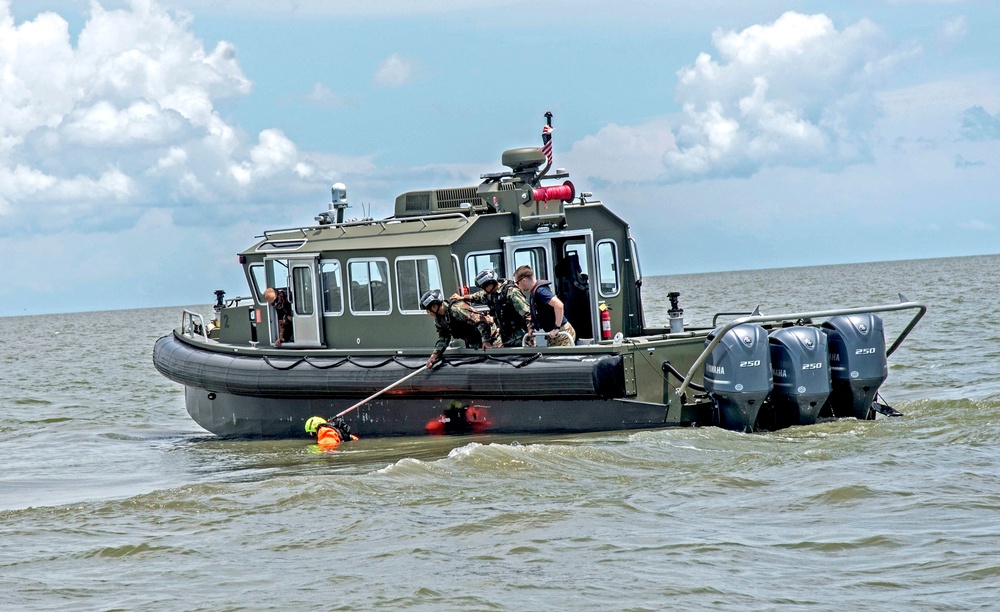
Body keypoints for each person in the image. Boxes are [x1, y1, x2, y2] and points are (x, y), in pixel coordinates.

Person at [451, 269, 533, 347]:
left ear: (490, 285)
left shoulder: (511, 293)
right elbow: (477, 296)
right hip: (505, 337)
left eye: (483, 287)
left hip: (520, 337)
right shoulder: (491, 295)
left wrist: (530, 331)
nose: (483, 290)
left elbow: (528, 314)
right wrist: (462, 298)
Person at [421, 289, 501, 368]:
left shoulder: (457, 309)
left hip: (492, 337)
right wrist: (435, 355)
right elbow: (444, 337)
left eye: (428, 311)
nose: (428, 313)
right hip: (475, 342)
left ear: (434, 307)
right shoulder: (439, 320)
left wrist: (486, 341)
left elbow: (481, 321)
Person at [514, 265, 576, 347]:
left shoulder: (540, 291)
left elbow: (559, 305)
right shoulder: (534, 292)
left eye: (517, 283)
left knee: (560, 358)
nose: (517, 286)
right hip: (553, 333)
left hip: (561, 331)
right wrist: (532, 327)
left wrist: (556, 328)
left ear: (524, 280)